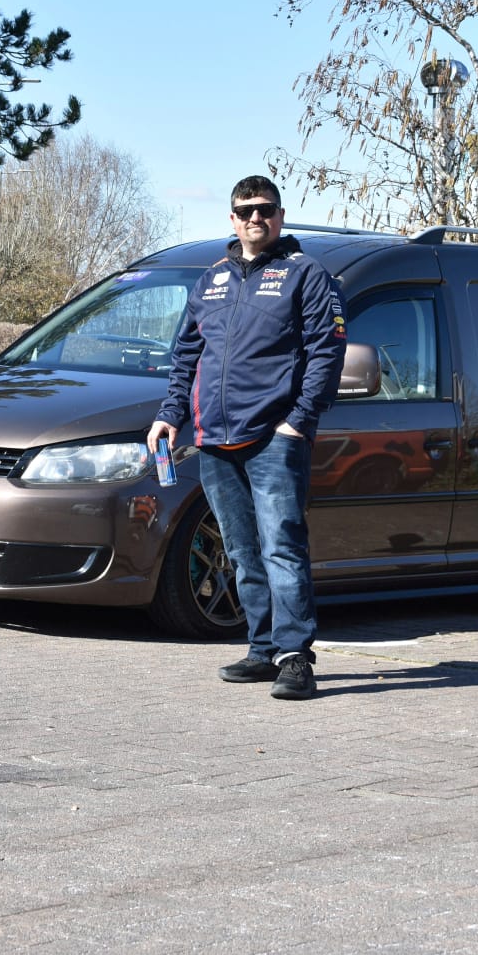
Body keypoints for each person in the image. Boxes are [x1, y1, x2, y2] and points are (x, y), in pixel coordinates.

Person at [147, 176, 346, 700]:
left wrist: (299, 420)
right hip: (215, 441)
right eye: (245, 211)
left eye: (266, 210)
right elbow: (186, 356)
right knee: (240, 550)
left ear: (280, 216)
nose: (255, 218)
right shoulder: (209, 280)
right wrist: (171, 416)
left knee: (283, 547)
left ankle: (296, 657)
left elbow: (327, 351)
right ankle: (262, 650)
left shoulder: (305, 274)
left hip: (275, 438)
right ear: (231, 218)